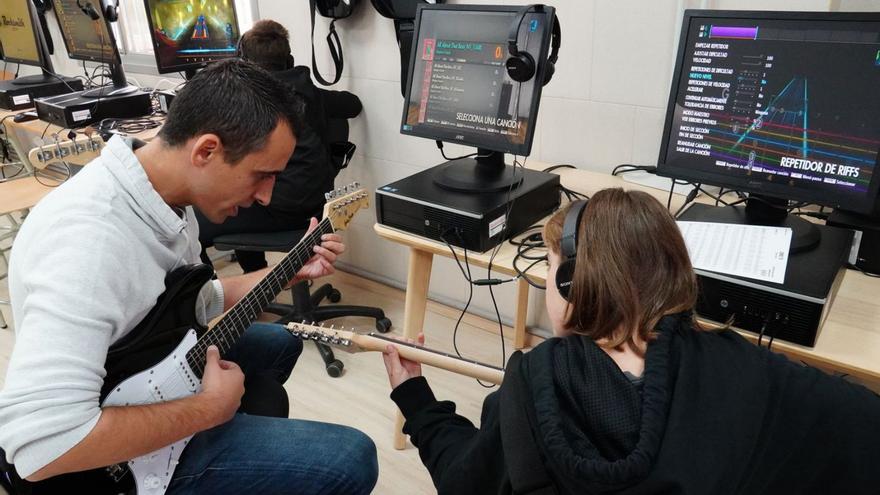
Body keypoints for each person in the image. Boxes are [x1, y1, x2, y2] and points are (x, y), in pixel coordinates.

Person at [0, 59, 377, 494]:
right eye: (262, 175)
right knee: (351, 458)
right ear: (206, 151)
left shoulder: (165, 193)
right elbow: (41, 448)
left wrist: (286, 271)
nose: (267, 196)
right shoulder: (90, 243)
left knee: (278, 343)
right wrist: (208, 409)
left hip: (134, 367)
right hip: (102, 472)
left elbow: (191, 302)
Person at [382, 188, 880, 494]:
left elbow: (462, 480)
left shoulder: (528, 390)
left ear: (572, 285)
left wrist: (416, 398)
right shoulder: (746, 371)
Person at [197, 19, 362, 273]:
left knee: (191, 226)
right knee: (240, 192)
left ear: (243, 63)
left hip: (279, 209)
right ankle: (256, 283)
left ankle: (227, 297)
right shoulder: (308, 92)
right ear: (289, 61)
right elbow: (353, 105)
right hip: (317, 204)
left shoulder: (242, 102)